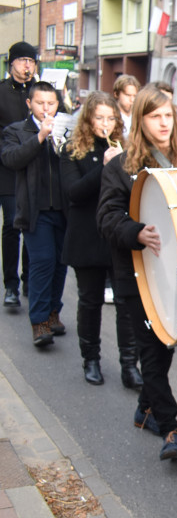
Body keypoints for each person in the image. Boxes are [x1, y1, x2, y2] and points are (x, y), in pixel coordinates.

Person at [97, 84, 177, 461]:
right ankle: (170, 427)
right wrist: (136, 231)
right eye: (155, 116)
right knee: (152, 352)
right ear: (140, 120)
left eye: (168, 115)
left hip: (175, 272)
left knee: (164, 348)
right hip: (137, 276)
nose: (164, 123)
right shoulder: (121, 166)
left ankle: (145, 409)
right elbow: (106, 219)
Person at [59, 92, 141, 388]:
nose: (105, 124)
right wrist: (103, 167)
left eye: (111, 118)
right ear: (88, 119)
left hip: (117, 234)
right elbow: (73, 192)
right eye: (99, 118)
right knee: (90, 301)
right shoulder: (72, 150)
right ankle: (91, 359)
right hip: (86, 236)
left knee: (125, 301)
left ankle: (129, 365)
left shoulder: (127, 149)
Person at [0, 81, 67, 346]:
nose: (46, 108)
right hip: (34, 209)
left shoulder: (65, 129)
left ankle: (53, 312)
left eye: (51, 103)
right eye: (40, 103)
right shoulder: (16, 130)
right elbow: (12, 159)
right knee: (42, 263)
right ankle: (39, 321)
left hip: (64, 209)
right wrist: (40, 138)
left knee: (61, 265)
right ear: (29, 104)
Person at [0, 41, 36, 308]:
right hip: (8, 169)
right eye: (22, 60)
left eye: (31, 61)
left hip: (35, 170)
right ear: (11, 63)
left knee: (32, 225)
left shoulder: (42, 92)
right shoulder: (1, 92)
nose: (27, 65)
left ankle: (29, 279)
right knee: (12, 225)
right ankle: (11, 285)